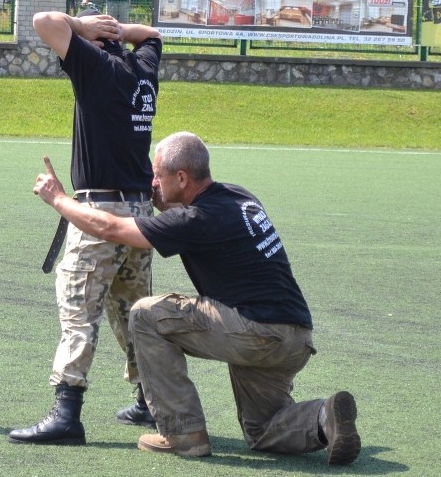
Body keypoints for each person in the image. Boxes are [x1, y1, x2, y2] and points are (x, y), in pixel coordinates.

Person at [30, 131, 362, 465]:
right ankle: (324, 416)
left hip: (255, 333)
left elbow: (111, 229)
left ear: (182, 178)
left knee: (145, 314)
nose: (154, 184)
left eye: (158, 176)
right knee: (261, 431)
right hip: (297, 338)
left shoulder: (194, 219)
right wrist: (167, 204)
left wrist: (58, 198)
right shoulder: (239, 196)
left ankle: (182, 434)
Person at [7, 9, 162, 446]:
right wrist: (111, 30)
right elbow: (151, 33)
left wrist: (81, 25)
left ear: (94, 46)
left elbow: (42, 21)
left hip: (99, 215)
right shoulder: (143, 68)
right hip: (140, 215)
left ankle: (66, 413)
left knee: (78, 312)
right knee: (134, 312)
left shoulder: (95, 66)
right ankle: (152, 401)